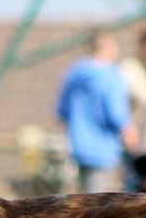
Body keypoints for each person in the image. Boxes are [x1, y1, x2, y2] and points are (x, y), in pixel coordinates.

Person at [56, 29, 138, 193]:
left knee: (83, 197)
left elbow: (62, 111)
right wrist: (130, 135)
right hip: (103, 150)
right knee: (99, 205)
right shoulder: (111, 76)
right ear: (108, 47)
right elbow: (116, 114)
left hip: (78, 147)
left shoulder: (73, 73)